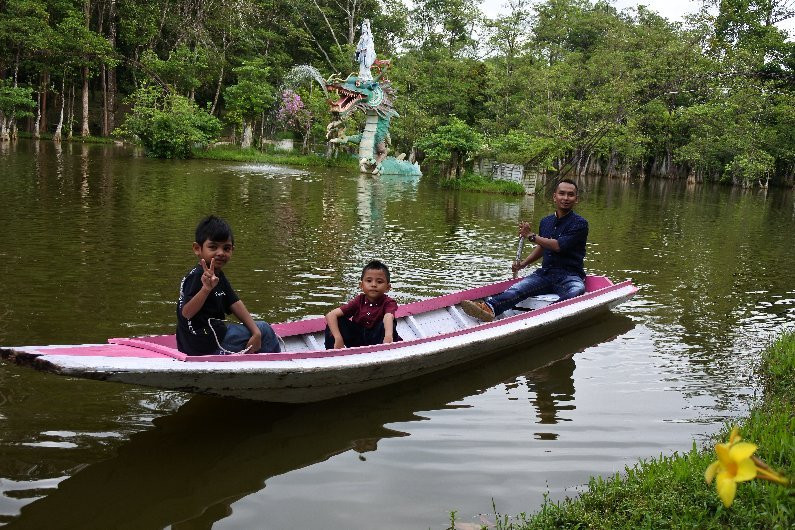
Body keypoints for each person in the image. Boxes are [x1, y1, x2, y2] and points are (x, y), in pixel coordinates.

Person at [461, 178, 589, 322]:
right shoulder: (546, 222)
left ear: (576, 199)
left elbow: (558, 246)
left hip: (570, 275)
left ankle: (548, 315)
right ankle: (489, 308)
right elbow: (543, 247)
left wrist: (531, 236)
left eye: (570, 195)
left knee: (577, 290)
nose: (565, 198)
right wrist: (523, 264)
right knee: (517, 289)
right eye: (562, 193)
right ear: (555, 196)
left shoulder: (580, 224)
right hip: (546, 273)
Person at [176, 215, 280, 356]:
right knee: (266, 329)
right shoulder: (198, 275)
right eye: (213, 247)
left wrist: (256, 332)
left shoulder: (218, 274)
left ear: (232, 250)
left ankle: (251, 356)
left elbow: (234, 303)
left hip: (202, 341)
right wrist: (205, 290)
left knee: (259, 330)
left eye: (226, 248)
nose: (220, 253)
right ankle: (276, 363)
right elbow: (186, 313)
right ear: (197, 248)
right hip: (205, 343)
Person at [325, 260, 402, 349]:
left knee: (388, 322)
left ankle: (387, 348)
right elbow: (331, 315)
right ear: (361, 285)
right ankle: (332, 352)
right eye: (369, 281)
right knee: (337, 320)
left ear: (388, 287)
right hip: (358, 340)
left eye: (379, 282)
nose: (373, 285)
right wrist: (338, 338)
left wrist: (388, 336)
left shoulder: (389, 302)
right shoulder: (359, 300)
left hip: (378, 340)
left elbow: (388, 316)